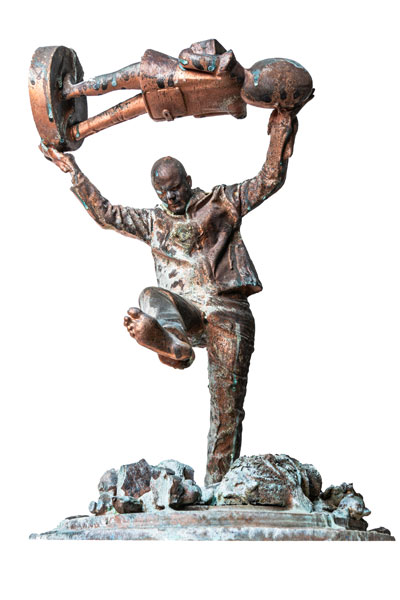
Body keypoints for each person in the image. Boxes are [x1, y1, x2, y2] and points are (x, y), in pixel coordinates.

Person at [41, 105, 302, 485]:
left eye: (176, 187)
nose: (171, 196)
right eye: (162, 191)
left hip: (228, 311)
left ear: (188, 180)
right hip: (186, 311)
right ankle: (174, 343)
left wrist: (281, 128)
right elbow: (107, 214)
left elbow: (269, 179)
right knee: (150, 294)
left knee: (226, 409)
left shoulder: (221, 202)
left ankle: (217, 489)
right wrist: (73, 173)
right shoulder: (154, 221)